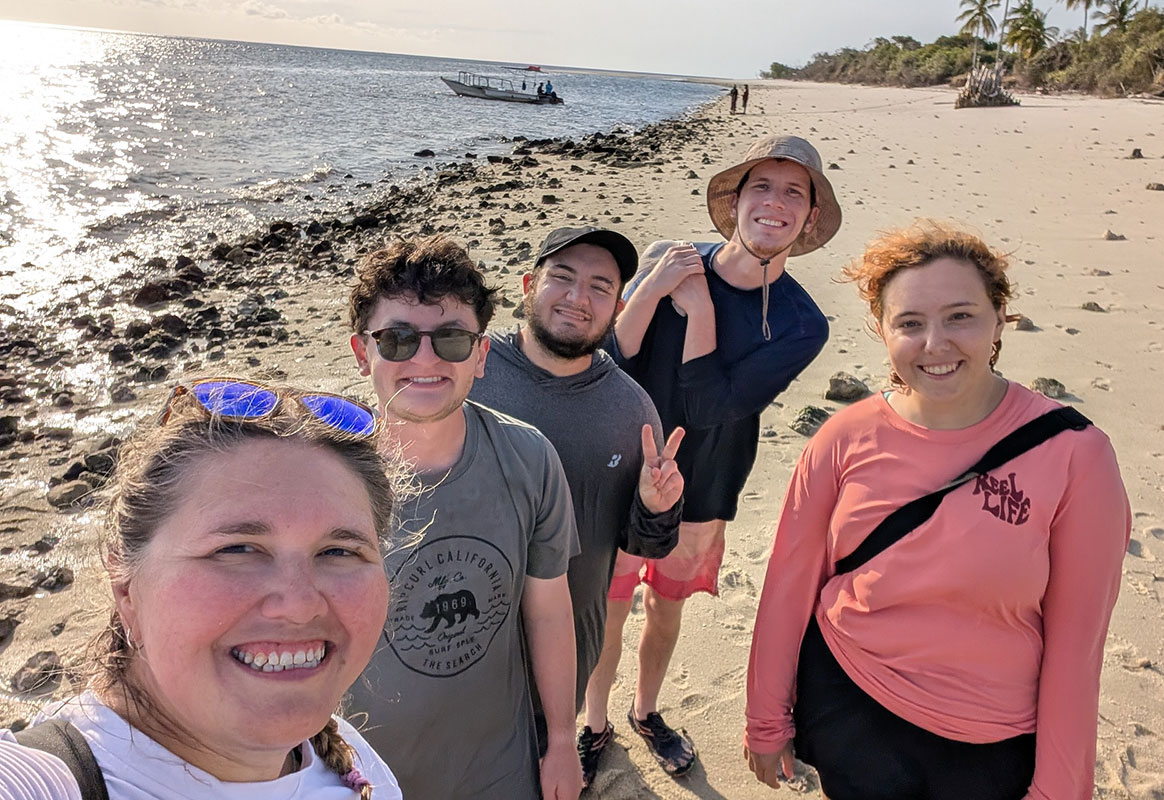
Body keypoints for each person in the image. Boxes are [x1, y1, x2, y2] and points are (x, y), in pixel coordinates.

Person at [745, 222, 1131, 800]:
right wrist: (766, 718)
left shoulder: (1077, 455)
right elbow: (789, 584)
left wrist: (1059, 788)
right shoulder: (844, 436)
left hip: (991, 738)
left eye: (960, 316)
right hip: (848, 697)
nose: (935, 344)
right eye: (909, 323)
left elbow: (1078, 648)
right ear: (881, 329)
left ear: (1000, 317)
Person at [0, 377, 404, 799]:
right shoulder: (45, 782)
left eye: (338, 551)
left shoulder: (355, 761)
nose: (300, 605)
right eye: (237, 549)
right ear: (125, 583)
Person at [605, 134, 841, 777]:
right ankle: (594, 721)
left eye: (795, 192)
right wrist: (652, 291)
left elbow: (711, 409)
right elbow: (611, 361)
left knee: (664, 606)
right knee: (608, 603)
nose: (776, 203)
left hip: (705, 483)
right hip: (622, 468)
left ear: (811, 217)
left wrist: (702, 309)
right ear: (735, 202)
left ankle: (645, 710)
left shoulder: (801, 324)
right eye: (761, 187)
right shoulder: (669, 259)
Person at [346, 236, 583, 800]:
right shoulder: (319, 475)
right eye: (397, 339)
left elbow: (549, 609)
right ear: (363, 353)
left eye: (451, 338)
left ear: (480, 355)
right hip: (356, 774)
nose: (424, 360)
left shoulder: (529, 458)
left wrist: (563, 740)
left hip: (498, 767)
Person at [469, 226, 684, 789]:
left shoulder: (628, 408)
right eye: (561, 278)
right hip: (464, 621)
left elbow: (644, 545)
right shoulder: (469, 371)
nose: (576, 298)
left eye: (599, 287)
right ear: (527, 286)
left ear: (616, 307)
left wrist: (657, 507)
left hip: (570, 634)